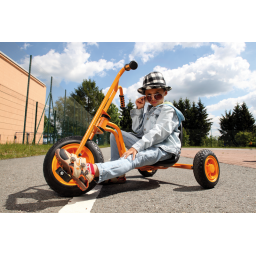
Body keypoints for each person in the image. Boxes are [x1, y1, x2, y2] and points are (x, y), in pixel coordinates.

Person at [55, 71, 185, 191]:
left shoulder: (168, 110)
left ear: (165, 93)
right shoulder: (150, 110)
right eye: (149, 96)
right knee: (115, 134)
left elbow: (158, 132)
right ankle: (117, 175)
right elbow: (138, 130)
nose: (153, 98)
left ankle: (89, 170)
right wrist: (139, 110)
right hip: (150, 144)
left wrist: (136, 147)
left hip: (164, 149)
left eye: (157, 94)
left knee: (133, 157)